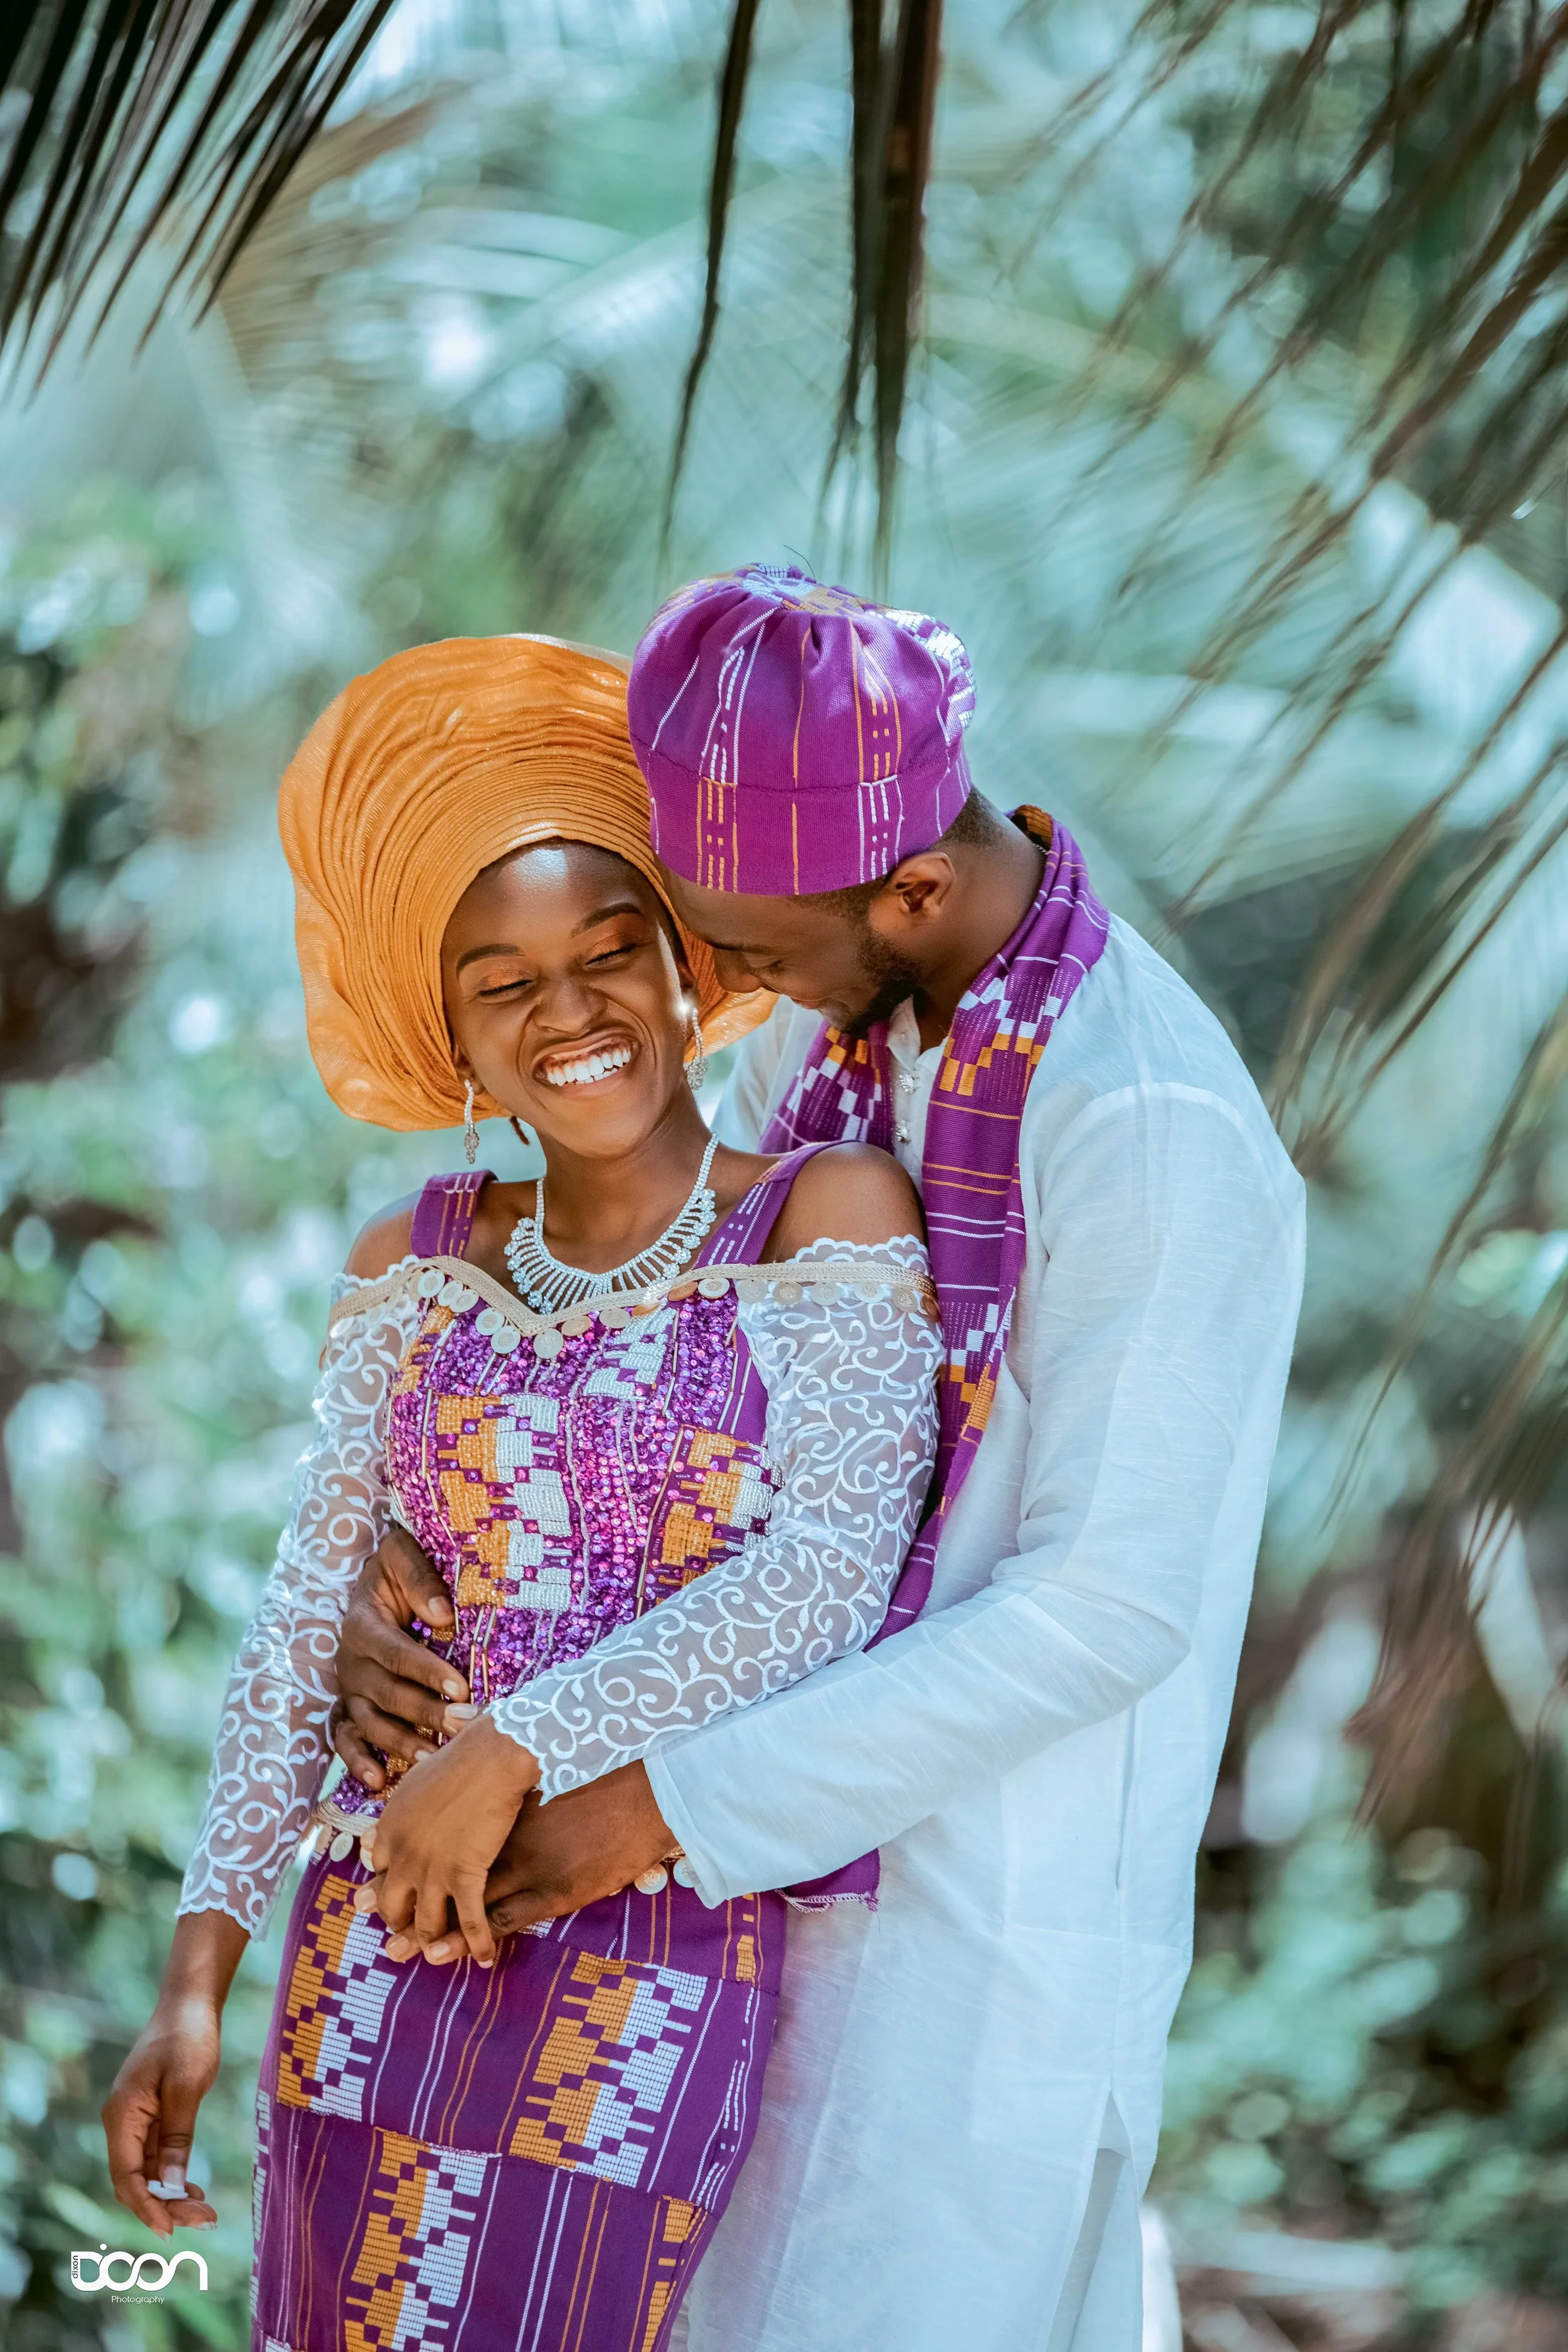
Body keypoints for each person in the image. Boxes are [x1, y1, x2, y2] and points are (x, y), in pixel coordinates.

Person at [327, 569, 1308, 2352]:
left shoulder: (1142, 1125)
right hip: (715, 1919)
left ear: (913, 886)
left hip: (964, 1948)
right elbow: (676, 1372)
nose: (725, 992)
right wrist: (398, 1565)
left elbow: (1102, 1611)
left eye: (755, 956)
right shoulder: (861, 1032)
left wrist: (635, 1812)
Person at [100, 631, 944, 2352]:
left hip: (648, 1940)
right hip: (370, 1943)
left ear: (686, 962)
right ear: (454, 1037)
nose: (569, 1010)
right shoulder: (402, 1269)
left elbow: (820, 1580)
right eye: (504, 983)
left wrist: (509, 1744)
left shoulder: (824, 1217)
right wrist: (197, 1974)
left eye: (608, 949)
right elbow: (298, 1618)